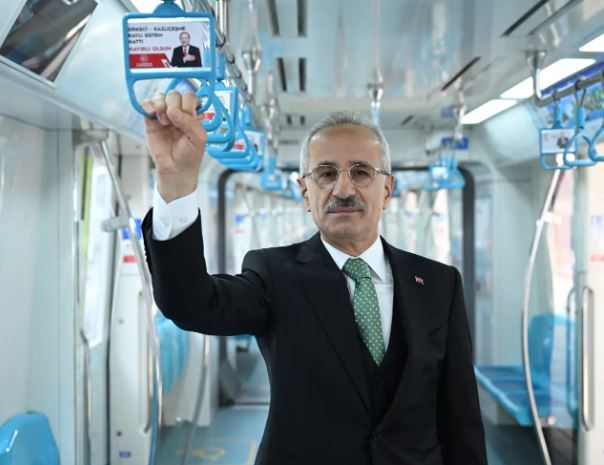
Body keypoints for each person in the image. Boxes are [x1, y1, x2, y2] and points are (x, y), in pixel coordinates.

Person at [140, 90, 488, 465]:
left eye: (361, 172)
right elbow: (191, 303)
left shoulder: (439, 284)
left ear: (387, 190)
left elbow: (460, 417)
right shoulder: (273, 276)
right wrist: (176, 182)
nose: (343, 189)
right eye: (326, 173)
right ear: (306, 192)